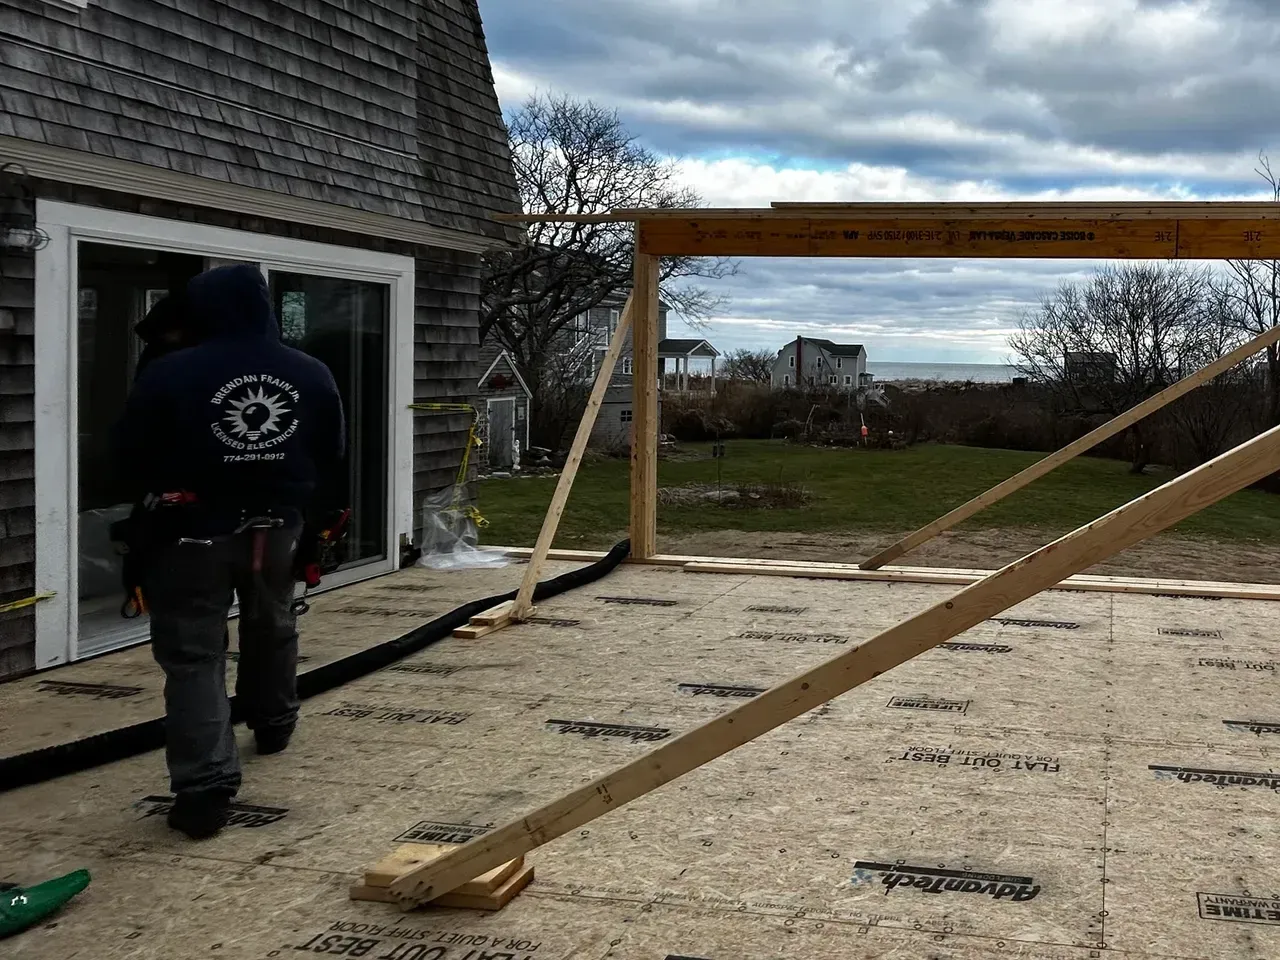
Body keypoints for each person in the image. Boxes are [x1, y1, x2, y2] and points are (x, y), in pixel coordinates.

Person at [112, 264, 346, 839]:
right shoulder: (310, 372)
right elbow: (332, 455)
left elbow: (127, 457)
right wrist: (317, 521)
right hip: (278, 528)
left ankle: (205, 790)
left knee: (194, 654)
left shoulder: (170, 372)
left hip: (191, 533)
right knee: (272, 623)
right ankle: (274, 721)